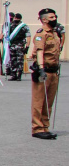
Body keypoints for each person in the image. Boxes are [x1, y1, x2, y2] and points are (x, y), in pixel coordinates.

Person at [28, 8, 64, 139]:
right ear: (44, 19)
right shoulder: (41, 33)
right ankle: (37, 128)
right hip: (44, 71)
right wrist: (41, 68)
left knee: (48, 101)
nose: (55, 19)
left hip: (54, 72)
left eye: (55, 17)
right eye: (52, 18)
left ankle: (45, 126)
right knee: (39, 101)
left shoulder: (55, 33)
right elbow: (39, 52)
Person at [0, 13, 30, 81]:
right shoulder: (10, 26)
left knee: (19, 61)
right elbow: (4, 33)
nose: (16, 19)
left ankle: (19, 75)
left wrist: (27, 46)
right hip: (11, 45)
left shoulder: (24, 26)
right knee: (12, 60)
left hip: (20, 46)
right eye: (15, 18)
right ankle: (13, 75)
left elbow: (28, 36)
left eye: (17, 18)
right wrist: (0, 39)